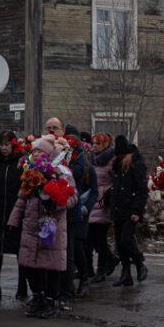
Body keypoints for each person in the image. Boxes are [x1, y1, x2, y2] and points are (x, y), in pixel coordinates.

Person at [6, 135, 77, 319]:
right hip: (31, 225)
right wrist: (13, 220)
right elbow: (22, 198)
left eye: (40, 150)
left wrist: (56, 201)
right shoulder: (30, 171)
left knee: (51, 264)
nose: (36, 153)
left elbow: (72, 197)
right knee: (30, 263)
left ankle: (51, 299)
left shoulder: (61, 171)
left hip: (51, 225)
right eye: (34, 150)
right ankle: (37, 296)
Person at [60, 124, 97, 310]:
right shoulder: (62, 157)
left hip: (80, 212)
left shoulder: (86, 161)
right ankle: (71, 283)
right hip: (66, 207)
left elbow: (94, 191)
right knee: (69, 249)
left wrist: (85, 207)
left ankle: (83, 278)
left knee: (77, 246)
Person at [108, 135, 149, 286]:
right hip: (119, 208)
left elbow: (142, 190)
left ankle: (139, 264)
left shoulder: (135, 164)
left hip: (130, 209)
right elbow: (117, 188)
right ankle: (126, 274)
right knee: (120, 242)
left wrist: (137, 211)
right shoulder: (119, 165)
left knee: (126, 239)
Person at [0, 130, 23, 303]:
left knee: (19, 250)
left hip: (15, 212)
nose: (4, 148)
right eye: (1, 144)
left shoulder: (20, 162)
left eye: (7, 144)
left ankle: (22, 286)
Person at [87, 133, 119, 283]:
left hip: (103, 202)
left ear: (105, 144)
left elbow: (117, 181)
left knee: (100, 237)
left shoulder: (112, 160)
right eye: (93, 143)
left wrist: (110, 196)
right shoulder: (92, 159)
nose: (94, 146)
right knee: (92, 237)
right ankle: (111, 259)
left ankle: (101, 270)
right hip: (93, 199)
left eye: (97, 144)